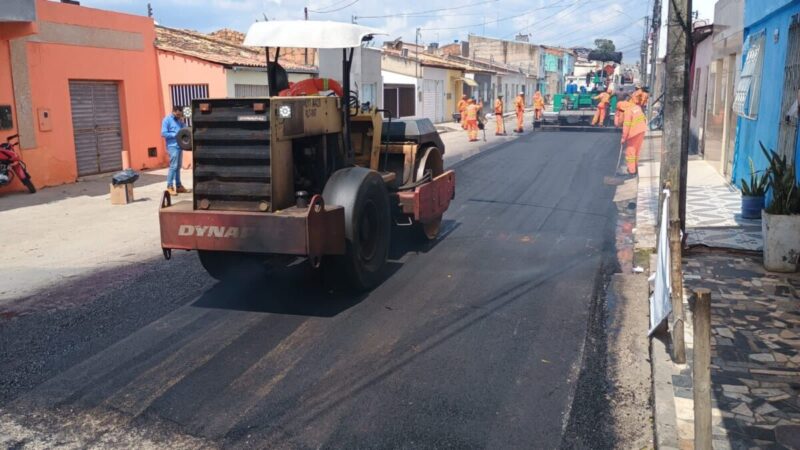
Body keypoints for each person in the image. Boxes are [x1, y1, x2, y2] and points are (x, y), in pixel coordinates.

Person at [161, 106, 190, 195]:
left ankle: (178, 186)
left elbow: (185, 128)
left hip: (179, 146)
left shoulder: (179, 120)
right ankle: (169, 186)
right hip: (172, 146)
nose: (178, 116)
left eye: (180, 115)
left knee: (178, 166)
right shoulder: (167, 120)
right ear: (173, 111)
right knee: (173, 166)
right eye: (177, 114)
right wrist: (176, 134)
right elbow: (163, 133)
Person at [620, 98, 647, 176]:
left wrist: (623, 138)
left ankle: (631, 171)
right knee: (637, 151)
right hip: (641, 130)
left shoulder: (628, 111)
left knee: (630, 152)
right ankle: (635, 168)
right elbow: (644, 119)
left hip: (634, 133)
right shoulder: (637, 107)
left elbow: (626, 126)